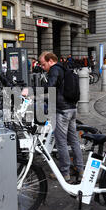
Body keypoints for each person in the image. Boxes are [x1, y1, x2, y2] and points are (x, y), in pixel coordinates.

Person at [39, 51, 84, 183]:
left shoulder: (54, 69)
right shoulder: (65, 68)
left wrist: (32, 90)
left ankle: (65, 173)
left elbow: (50, 86)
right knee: (74, 140)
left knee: (61, 142)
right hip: (72, 109)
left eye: (43, 64)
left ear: (50, 61)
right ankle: (79, 169)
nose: (42, 67)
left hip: (62, 110)